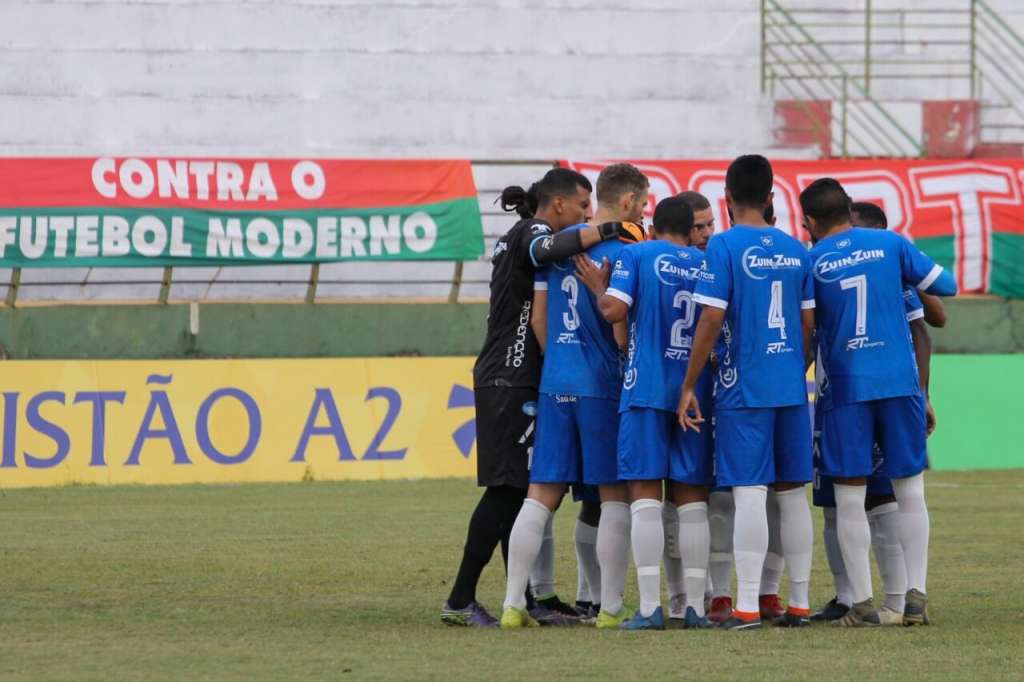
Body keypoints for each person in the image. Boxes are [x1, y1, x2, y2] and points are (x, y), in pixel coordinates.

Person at [441, 168, 639, 627]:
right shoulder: (534, 231)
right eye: (580, 208)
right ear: (557, 206)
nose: (584, 217)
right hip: (511, 377)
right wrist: (610, 229)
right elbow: (546, 250)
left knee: (522, 491)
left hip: (523, 378)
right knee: (508, 491)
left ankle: (526, 599)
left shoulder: (530, 239)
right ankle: (459, 599)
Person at [802, 178, 957, 627]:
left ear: (810, 221)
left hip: (847, 389)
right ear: (848, 209)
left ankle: (862, 604)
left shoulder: (812, 261)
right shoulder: (890, 242)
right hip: (900, 385)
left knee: (849, 499)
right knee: (910, 491)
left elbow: (808, 328)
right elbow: (943, 288)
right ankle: (916, 596)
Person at [499, 163, 648, 628]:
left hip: (556, 381)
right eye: (642, 203)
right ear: (626, 203)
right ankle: (609, 608)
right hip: (601, 384)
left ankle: (512, 605)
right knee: (613, 496)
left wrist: (560, 363)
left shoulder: (560, 246)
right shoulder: (626, 246)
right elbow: (619, 323)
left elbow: (540, 319)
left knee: (540, 494)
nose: (643, 212)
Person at [678, 154, 817, 630]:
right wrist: (792, 369)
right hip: (791, 388)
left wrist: (691, 382)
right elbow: (808, 325)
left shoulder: (724, 246)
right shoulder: (798, 249)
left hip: (744, 388)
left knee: (750, 493)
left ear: (728, 199)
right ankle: (799, 603)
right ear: (772, 196)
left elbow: (711, 318)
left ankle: (746, 606)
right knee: (792, 494)